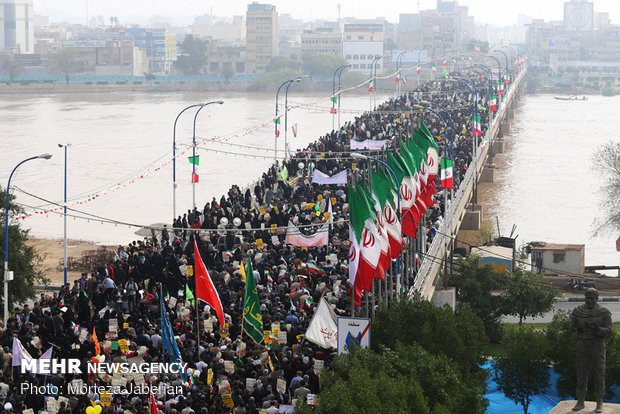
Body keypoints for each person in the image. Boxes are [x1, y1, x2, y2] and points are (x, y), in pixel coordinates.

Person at [570, 288, 613, 412]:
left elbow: (610, 331)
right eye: (587, 298)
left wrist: (598, 329)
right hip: (582, 344)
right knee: (581, 374)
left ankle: (599, 403)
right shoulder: (578, 311)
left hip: (597, 345)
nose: (589, 300)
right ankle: (580, 401)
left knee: (599, 374)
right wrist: (576, 326)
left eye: (592, 298)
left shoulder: (603, 312)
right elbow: (570, 327)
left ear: (597, 298)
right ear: (585, 298)